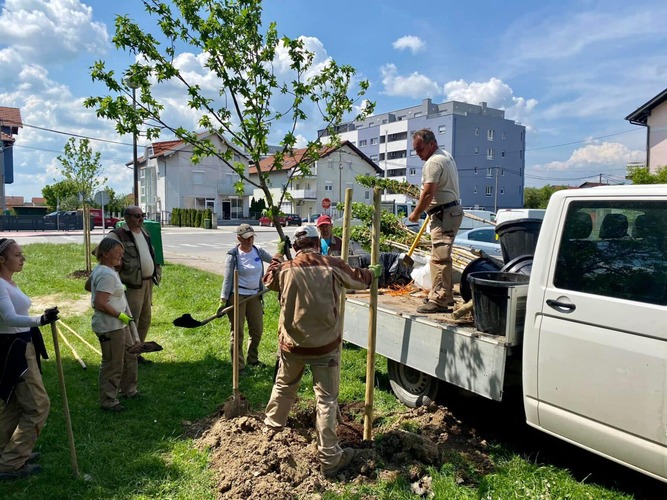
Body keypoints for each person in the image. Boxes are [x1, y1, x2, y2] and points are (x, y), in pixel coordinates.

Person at [262, 225, 382, 478]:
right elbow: (360, 279)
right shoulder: (332, 264)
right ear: (318, 244)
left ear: (294, 247)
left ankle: (270, 437)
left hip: (292, 346)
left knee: (284, 387)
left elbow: (268, 279)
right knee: (326, 399)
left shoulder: (285, 269)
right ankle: (329, 458)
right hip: (325, 347)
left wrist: (276, 254)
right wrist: (372, 273)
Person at [0, 238, 59, 480]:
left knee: (14, 404)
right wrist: (40, 320)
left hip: (21, 344)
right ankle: (12, 462)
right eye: (17, 255)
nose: (22, 258)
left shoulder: (8, 282)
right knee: (38, 406)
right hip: (14, 350)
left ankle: (8, 451)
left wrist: (39, 319)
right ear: (1, 259)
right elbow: (10, 318)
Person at [408, 128, 463, 314]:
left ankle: (439, 300)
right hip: (448, 211)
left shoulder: (433, 162)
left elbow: (428, 192)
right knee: (441, 257)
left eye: (420, 149)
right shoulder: (445, 156)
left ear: (431, 144)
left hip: (444, 214)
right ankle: (443, 295)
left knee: (439, 259)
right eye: (415, 150)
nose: (418, 154)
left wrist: (416, 214)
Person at [89, 238, 139, 412]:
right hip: (110, 326)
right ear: (105, 254)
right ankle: (108, 400)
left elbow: (89, 286)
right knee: (113, 363)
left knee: (130, 355)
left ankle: (128, 390)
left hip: (119, 324)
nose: (121, 256)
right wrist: (121, 315)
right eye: (117, 253)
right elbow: (99, 303)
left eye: (122, 252)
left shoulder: (106, 270)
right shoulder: (106, 274)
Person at [109, 206, 161, 364]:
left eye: (142, 215)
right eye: (137, 216)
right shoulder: (117, 235)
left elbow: (151, 254)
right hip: (132, 285)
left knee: (145, 319)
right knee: (132, 320)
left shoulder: (144, 232)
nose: (141, 218)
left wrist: (156, 271)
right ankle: (128, 355)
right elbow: (104, 255)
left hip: (147, 283)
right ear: (127, 217)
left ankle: (136, 354)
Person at [217, 224, 272, 372]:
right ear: (239, 238)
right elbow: (228, 279)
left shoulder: (258, 251)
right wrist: (223, 300)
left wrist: (282, 253)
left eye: (252, 237)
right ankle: (238, 366)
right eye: (246, 238)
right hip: (237, 296)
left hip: (255, 295)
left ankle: (252, 359)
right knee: (238, 332)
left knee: (257, 330)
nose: (250, 241)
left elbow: (274, 262)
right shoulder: (233, 255)